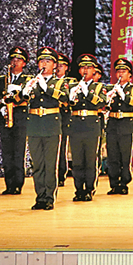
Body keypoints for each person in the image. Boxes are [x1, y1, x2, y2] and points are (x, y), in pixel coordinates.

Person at [24, 47, 69, 210]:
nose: (44, 64)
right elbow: (20, 99)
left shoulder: (60, 82)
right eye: (41, 61)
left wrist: (45, 87)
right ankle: (40, 196)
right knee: (37, 164)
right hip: (34, 125)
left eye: (48, 61)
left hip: (51, 125)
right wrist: (23, 90)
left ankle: (49, 197)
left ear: (55, 65)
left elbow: (64, 98)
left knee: (50, 164)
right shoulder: (32, 81)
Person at [0, 46, 30, 195]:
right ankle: (9, 184)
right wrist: (1, 107)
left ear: (24, 63)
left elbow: (28, 98)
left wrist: (16, 94)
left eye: (19, 60)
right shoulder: (3, 79)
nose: (15, 62)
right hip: (5, 118)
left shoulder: (28, 80)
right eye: (13, 59)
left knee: (18, 151)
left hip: (20, 118)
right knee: (7, 152)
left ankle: (18, 184)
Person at [66, 54, 107, 202]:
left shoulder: (99, 87)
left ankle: (89, 189)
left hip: (91, 124)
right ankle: (78, 189)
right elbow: (65, 104)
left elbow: (101, 103)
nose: (85, 70)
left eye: (89, 67)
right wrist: (70, 96)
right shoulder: (72, 86)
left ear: (94, 70)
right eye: (83, 67)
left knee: (90, 159)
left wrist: (87, 93)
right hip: (76, 124)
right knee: (77, 160)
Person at [104, 57, 133, 195]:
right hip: (112, 124)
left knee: (124, 156)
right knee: (112, 156)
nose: (120, 74)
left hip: (126, 124)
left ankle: (124, 182)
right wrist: (107, 99)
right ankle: (114, 183)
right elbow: (102, 105)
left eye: (124, 71)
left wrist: (123, 96)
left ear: (130, 74)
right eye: (118, 71)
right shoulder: (110, 88)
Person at [55, 51, 74, 187]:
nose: (58, 68)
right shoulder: (47, 80)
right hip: (49, 117)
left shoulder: (71, 82)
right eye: (56, 65)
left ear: (66, 67)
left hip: (64, 116)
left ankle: (61, 173)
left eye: (61, 66)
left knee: (62, 146)